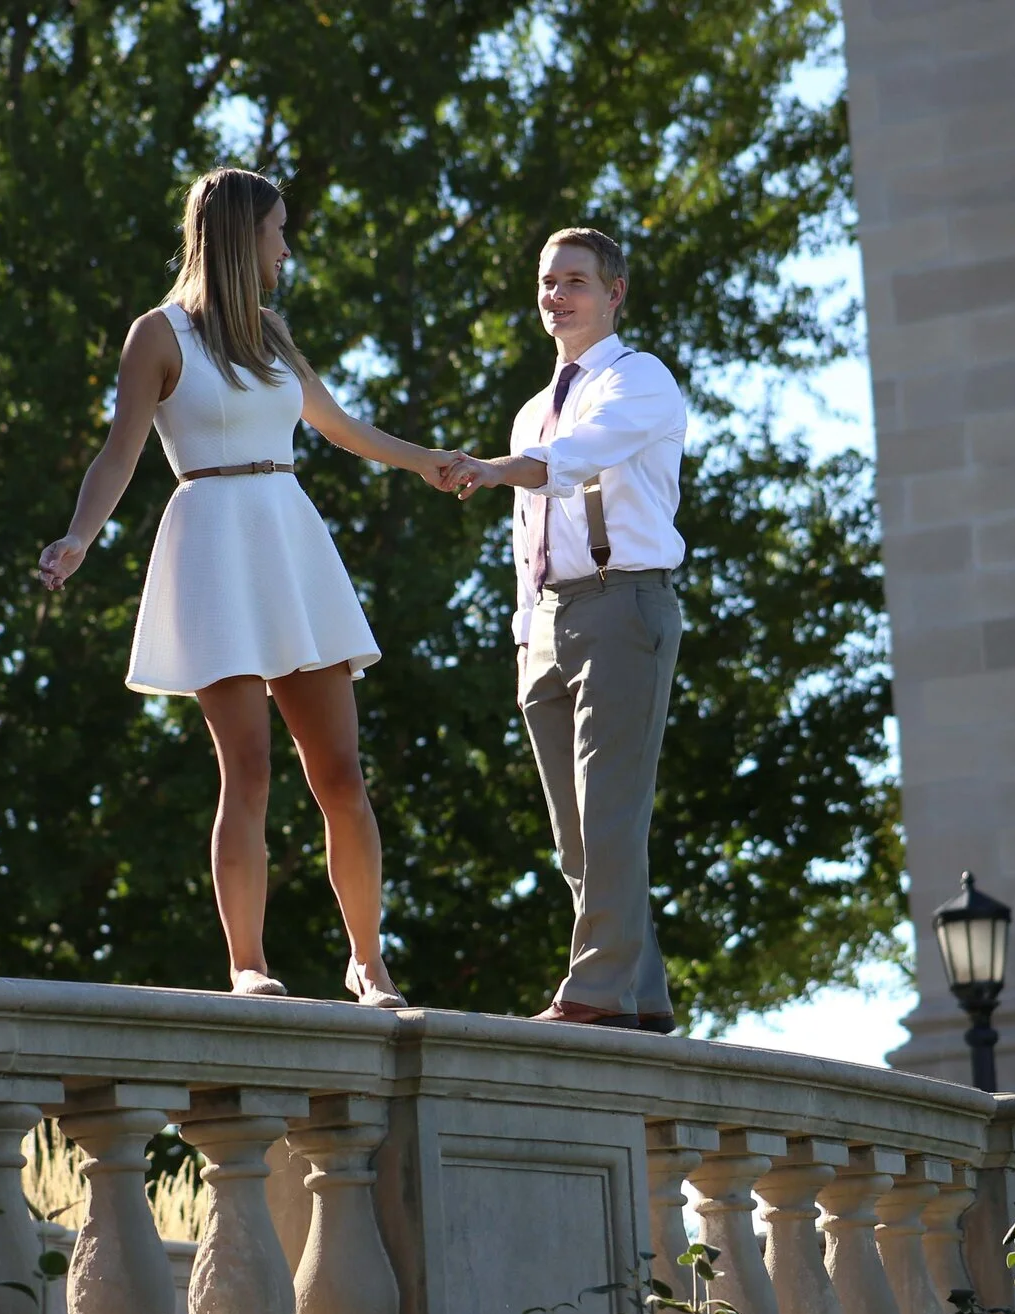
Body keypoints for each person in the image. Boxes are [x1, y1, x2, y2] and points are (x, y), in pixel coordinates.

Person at [37, 168, 447, 1008]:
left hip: (288, 542)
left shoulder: (272, 334)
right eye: (277, 231)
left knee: (340, 772)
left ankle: (367, 962)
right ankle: (248, 964)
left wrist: (431, 464)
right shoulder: (156, 335)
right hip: (212, 547)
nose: (286, 248)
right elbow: (120, 453)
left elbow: (339, 427)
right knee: (248, 769)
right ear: (237, 235)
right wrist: (79, 537)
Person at [437, 228, 688, 1031]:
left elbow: (575, 458)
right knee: (576, 836)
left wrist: (493, 468)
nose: (557, 296)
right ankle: (642, 997)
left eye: (575, 281)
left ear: (615, 293)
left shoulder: (639, 379)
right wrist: (522, 636)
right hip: (547, 621)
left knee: (611, 811)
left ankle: (593, 994)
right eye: (547, 282)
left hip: (623, 605)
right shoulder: (528, 411)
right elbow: (525, 539)